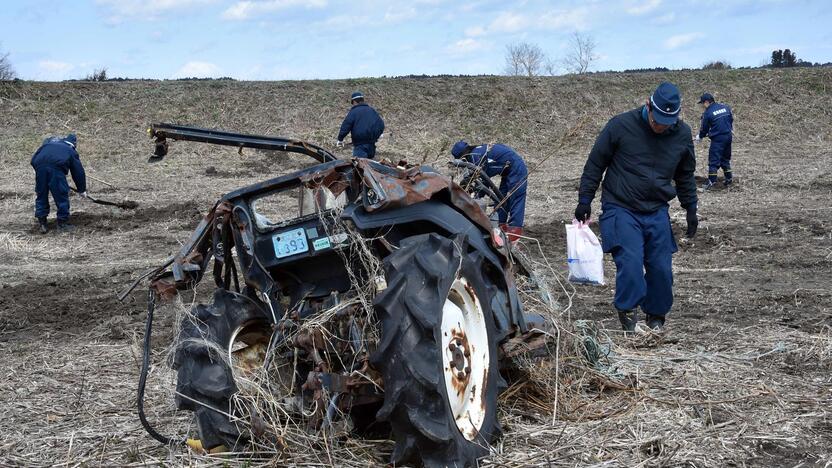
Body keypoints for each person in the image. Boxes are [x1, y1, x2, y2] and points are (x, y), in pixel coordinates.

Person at [574, 82, 698, 332]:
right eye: (657, 119)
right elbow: (596, 163)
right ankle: (628, 315)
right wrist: (584, 199)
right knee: (630, 262)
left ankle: (656, 318)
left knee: (661, 267)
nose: (660, 126)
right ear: (648, 105)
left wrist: (690, 207)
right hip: (621, 206)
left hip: (656, 208)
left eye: (667, 122)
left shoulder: (682, 135)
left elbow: (685, 174)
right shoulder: (620, 126)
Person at [451, 141, 528, 242]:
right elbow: (481, 180)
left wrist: (474, 199)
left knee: (516, 199)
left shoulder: (475, 157)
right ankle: (501, 229)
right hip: (506, 171)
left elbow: (483, 181)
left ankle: (514, 235)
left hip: (516, 168)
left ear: (462, 156)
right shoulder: (476, 153)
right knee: (501, 200)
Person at [31, 133, 87, 233]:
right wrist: (81, 189)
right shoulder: (70, 150)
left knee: (41, 194)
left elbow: (34, 159)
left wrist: (41, 170)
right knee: (61, 194)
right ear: (73, 144)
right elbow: (78, 172)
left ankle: (42, 222)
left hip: (40, 166)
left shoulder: (48, 144)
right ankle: (62, 223)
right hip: (56, 168)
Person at [695, 92, 734, 189]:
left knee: (714, 160)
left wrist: (700, 136)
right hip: (728, 136)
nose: (703, 106)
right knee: (725, 159)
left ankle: (711, 182)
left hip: (718, 139)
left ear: (707, 102)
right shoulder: (725, 107)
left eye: (703, 103)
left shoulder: (707, 113)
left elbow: (704, 128)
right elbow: (730, 119)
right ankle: (729, 178)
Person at [336, 91, 385, 158]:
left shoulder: (353, 112)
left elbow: (346, 126)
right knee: (370, 165)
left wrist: (340, 139)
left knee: (359, 166)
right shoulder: (372, 110)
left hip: (360, 146)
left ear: (354, 102)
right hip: (371, 146)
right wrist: (379, 133)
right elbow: (381, 124)